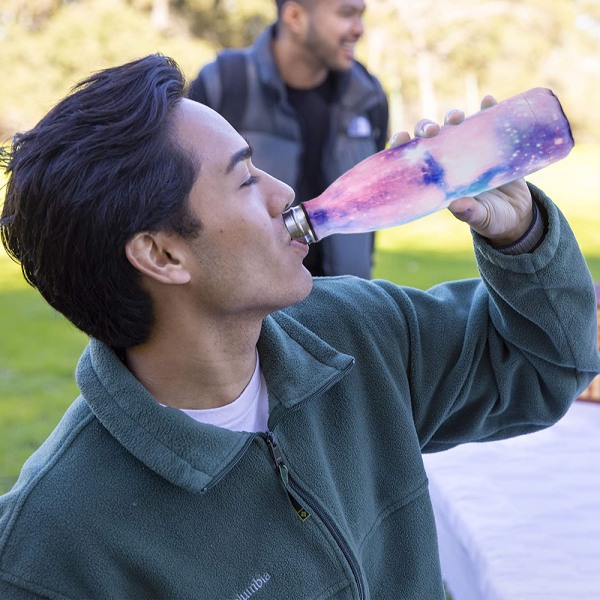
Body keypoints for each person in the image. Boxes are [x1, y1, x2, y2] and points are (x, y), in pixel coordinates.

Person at [0, 54, 598, 600]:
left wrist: (519, 237)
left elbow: (545, 365)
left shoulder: (355, 331)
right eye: (244, 178)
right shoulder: (52, 549)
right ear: (162, 256)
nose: (284, 192)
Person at [187, 0, 389, 279]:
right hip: (256, 309)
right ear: (294, 16)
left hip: (348, 303)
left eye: (361, 15)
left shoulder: (368, 95)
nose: (359, 29)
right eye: (346, 13)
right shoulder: (223, 84)